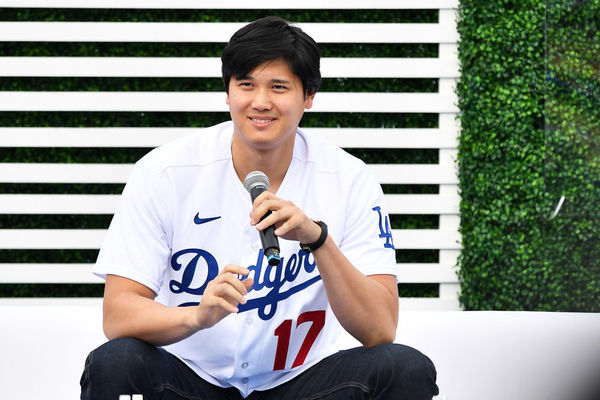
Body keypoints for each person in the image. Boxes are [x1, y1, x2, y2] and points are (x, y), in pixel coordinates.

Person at [80, 16, 438, 400]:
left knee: (405, 368)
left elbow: (380, 329)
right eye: (246, 84)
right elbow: (118, 315)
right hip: (191, 381)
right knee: (114, 362)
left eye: (278, 87)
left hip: (300, 384)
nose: (260, 101)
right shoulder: (164, 172)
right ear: (228, 93)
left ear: (309, 96)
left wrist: (318, 240)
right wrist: (196, 316)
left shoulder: (349, 178)